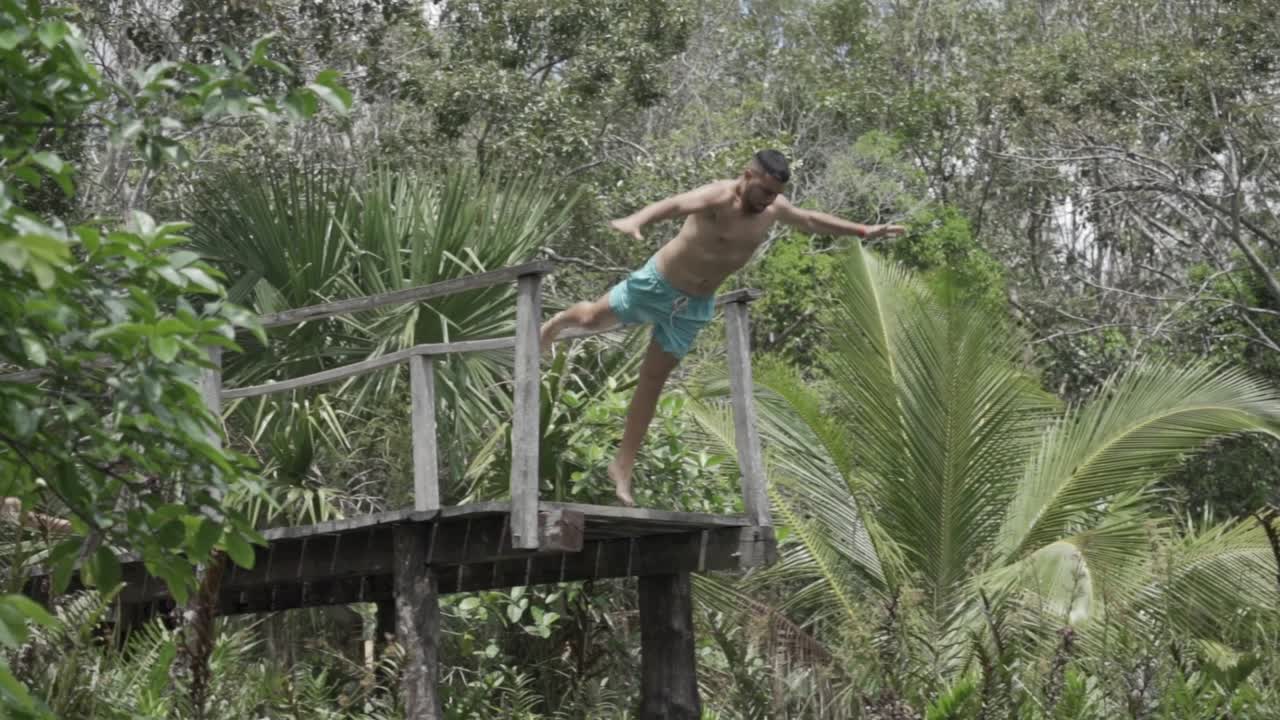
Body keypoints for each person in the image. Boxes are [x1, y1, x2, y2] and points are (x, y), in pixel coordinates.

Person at [539, 149, 905, 506]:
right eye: (763, 191)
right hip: (659, 285)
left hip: (694, 306)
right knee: (589, 320)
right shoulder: (717, 196)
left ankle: (622, 465)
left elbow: (809, 220)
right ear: (747, 176)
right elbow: (675, 204)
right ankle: (554, 324)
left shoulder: (773, 208)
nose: (768, 201)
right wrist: (638, 220)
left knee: (652, 381)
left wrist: (864, 230)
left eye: (775, 195)